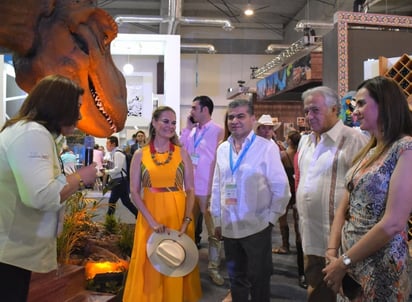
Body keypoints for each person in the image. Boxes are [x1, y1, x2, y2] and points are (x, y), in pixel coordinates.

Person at [0, 74, 97, 302]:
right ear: (59, 106)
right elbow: (41, 196)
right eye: (76, 107)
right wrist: (79, 178)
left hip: (12, 253)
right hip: (8, 254)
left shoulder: (29, 132)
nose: (80, 115)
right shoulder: (33, 134)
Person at [323, 76, 412, 301]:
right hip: (349, 263)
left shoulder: (406, 149)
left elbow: (393, 223)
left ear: (385, 103)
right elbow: (344, 206)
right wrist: (332, 253)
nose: (355, 111)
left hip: (380, 268)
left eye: (361, 103)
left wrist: (343, 261)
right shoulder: (370, 150)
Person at [211, 99, 291, 302]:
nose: (235, 121)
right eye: (231, 117)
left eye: (240, 116)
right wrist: (217, 220)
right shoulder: (222, 149)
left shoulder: (266, 148)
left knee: (259, 281)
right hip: (229, 228)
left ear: (252, 119)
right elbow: (217, 186)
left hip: (257, 227)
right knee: (236, 279)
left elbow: (281, 187)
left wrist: (271, 219)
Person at [296, 86, 369, 301]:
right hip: (310, 235)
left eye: (315, 110)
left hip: (342, 241)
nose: (309, 116)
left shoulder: (354, 140)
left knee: (345, 293)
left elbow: (363, 193)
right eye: (307, 111)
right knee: (316, 289)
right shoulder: (306, 141)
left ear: (334, 109)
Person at [123, 106, 202, 301]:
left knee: (175, 258)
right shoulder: (139, 155)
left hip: (178, 214)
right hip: (150, 216)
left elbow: (191, 189)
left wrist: (186, 219)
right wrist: (150, 220)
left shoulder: (181, 153)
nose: (170, 126)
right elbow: (134, 191)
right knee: (150, 262)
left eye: (173, 123)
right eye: (166, 121)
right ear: (154, 122)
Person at [180, 95, 225, 286]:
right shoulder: (190, 132)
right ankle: (186, 267)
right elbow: (180, 149)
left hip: (208, 189)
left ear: (204, 110)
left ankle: (213, 268)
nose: (191, 112)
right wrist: (187, 129)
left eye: (193, 108)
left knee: (213, 233)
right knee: (186, 229)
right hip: (189, 188)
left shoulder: (218, 131)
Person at [272, 130, 308, 289]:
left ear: (289, 141)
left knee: (282, 218)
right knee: (297, 221)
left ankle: (285, 245)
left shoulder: (283, 155)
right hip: (297, 189)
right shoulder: (300, 155)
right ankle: (297, 243)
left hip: (285, 189)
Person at [103, 136, 138, 218]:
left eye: (107, 143)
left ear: (113, 144)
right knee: (126, 202)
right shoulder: (115, 153)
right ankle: (139, 215)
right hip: (119, 180)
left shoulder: (117, 153)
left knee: (112, 201)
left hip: (119, 181)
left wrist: (106, 172)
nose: (106, 145)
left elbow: (118, 169)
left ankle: (109, 220)